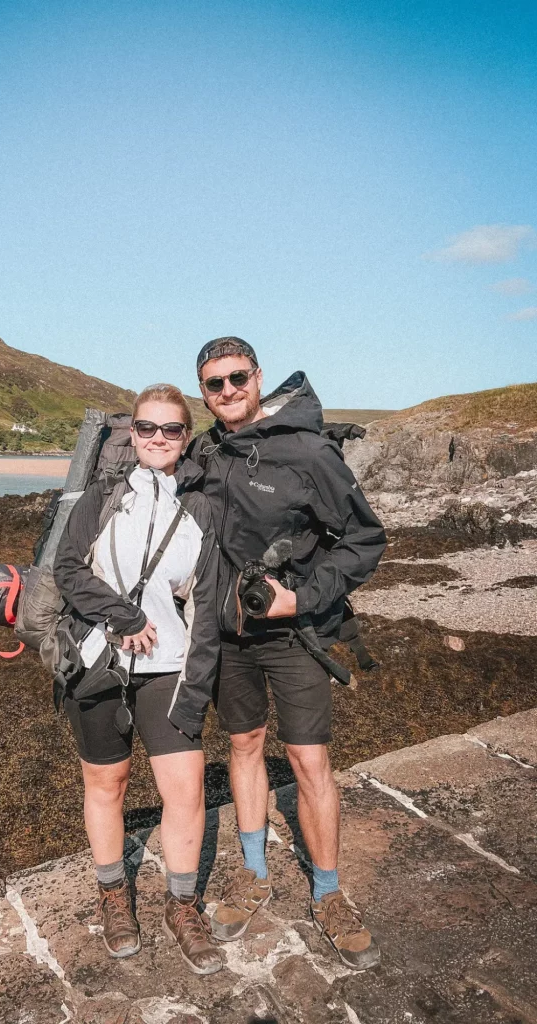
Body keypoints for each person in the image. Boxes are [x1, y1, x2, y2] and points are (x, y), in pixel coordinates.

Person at [186, 338, 386, 971]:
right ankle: (253, 874)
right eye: (212, 385)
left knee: (307, 761)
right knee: (243, 746)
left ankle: (327, 894)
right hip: (227, 636)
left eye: (236, 379)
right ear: (203, 392)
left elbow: (364, 539)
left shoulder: (307, 450)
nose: (226, 392)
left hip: (292, 633)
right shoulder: (205, 452)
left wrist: (300, 601)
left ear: (258, 377)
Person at [53, 383, 223, 975]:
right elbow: (67, 568)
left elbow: (206, 598)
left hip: (169, 668)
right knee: (109, 783)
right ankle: (113, 895)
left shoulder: (203, 507)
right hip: (98, 663)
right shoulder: (100, 497)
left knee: (187, 790)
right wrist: (122, 615)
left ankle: (182, 906)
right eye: (145, 428)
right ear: (131, 433)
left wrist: (200, 680)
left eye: (169, 430)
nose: (156, 438)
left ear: (185, 438)